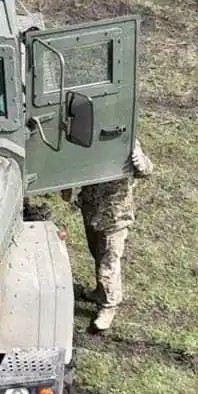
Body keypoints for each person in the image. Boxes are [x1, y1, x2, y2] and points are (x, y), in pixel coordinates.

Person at [62, 139, 154, 333]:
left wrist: (140, 161)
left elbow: (146, 170)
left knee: (108, 262)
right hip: (92, 212)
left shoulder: (127, 141)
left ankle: (109, 306)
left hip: (115, 216)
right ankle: (100, 291)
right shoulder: (88, 138)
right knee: (97, 253)